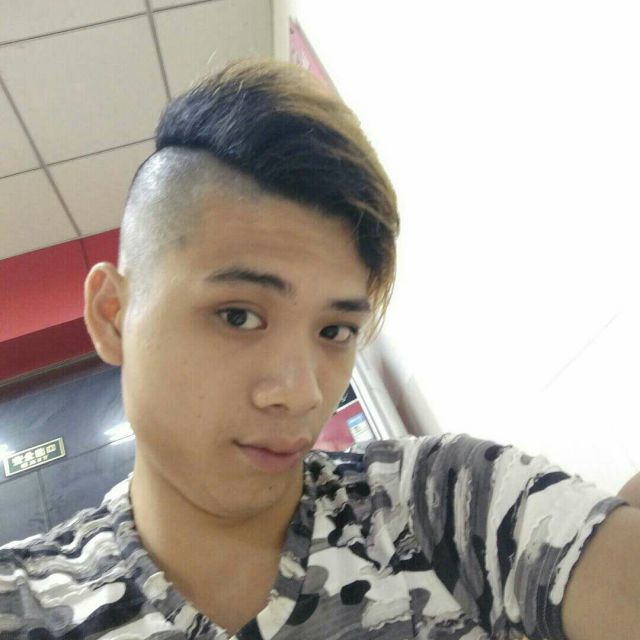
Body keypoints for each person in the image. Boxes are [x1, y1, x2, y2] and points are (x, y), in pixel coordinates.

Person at [0, 58, 638, 640]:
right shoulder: (26, 605)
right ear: (113, 316)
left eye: (335, 331)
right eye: (239, 315)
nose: (302, 392)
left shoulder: (443, 504)